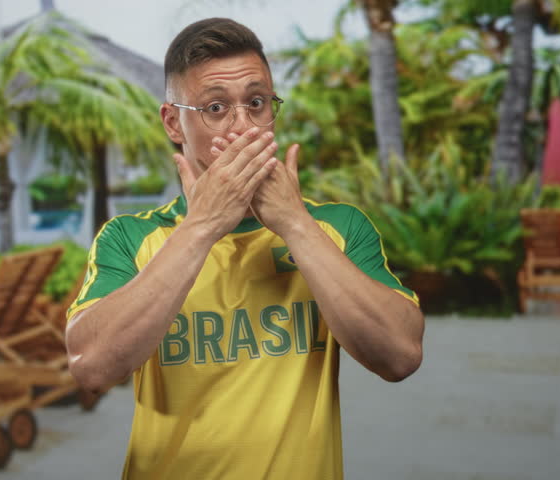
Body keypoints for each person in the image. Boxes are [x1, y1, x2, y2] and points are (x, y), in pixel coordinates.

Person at [65, 17, 424, 480]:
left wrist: (294, 223)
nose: (244, 127)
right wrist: (201, 228)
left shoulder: (336, 227)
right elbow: (90, 367)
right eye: (215, 108)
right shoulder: (129, 238)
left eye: (256, 103)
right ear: (174, 121)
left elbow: (400, 356)